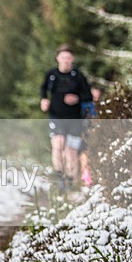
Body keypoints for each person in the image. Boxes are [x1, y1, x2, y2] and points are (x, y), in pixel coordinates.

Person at [40, 45, 93, 192]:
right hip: (56, 117)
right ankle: (59, 176)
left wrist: (77, 98)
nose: (66, 60)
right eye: (63, 57)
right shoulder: (51, 74)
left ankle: (70, 181)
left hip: (75, 119)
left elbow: (88, 96)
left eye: (68, 58)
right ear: (58, 58)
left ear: (72, 59)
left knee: (71, 151)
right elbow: (43, 89)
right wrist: (43, 100)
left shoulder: (78, 76)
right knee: (57, 145)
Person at [78, 86, 102, 187]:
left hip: (96, 133)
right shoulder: (83, 105)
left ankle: (91, 177)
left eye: (97, 97)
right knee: (84, 155)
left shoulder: (101, 107)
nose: (95, 99)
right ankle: (86, 178)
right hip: (84, 133)